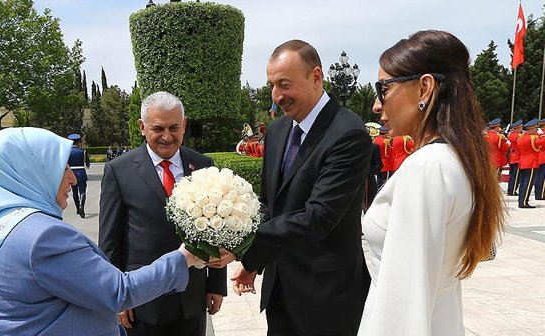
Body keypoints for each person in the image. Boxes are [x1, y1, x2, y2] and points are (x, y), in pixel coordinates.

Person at [0, 127, 204, 335]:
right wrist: (184, 257)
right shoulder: (41, 237)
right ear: (31, 173)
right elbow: (118, 291)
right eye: (62, 168)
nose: (72, 179)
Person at [210, 40, 372, 336]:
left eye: (284, 84)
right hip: (281, 291)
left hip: (327, 298)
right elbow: (271, 204)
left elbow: (318, 217)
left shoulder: (348, 133)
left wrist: (243, 242)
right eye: (272, 85)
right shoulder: (278, 131)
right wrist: (253, 260)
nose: (276, 96)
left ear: (316, 77)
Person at [358, 30, 505, 335]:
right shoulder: (454, 158)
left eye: (383, 87)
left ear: (424, 87)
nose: (376, 104)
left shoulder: (426, 169)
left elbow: (403, 301)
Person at [99, 91, 227, 336]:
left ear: (184, 125)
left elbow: (216, 230)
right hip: (142, 301)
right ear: (142, 127)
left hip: (192, 298)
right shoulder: (119, 170)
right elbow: (109, 241)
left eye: (174, 128)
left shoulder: (203, 165)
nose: (167, 137)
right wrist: (116, 297)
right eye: (158, 128)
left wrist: (217, 284)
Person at [516, 119, 543, 208]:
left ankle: (521, 201)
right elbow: (542, 143)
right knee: (528, 184)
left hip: (523, 162)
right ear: (531, 129)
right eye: (535, 128)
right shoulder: (532, 138)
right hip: (531, 162)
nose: (536, 130)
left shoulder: (521, 137)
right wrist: (542, 135)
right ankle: (523, 202)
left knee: (523, 183)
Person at [68, 133, 90, 218]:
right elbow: (87, 164)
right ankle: (82, 207)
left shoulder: (67, 152)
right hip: (81, 172)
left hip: (72, 172)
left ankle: (77, 209)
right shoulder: (83, 151)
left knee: (74, 192)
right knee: (82, 191)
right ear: (79, 142)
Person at [507, 119, 523, 196]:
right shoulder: (519, 136)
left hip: (512, 156)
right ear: (518, 128)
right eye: (521, 127)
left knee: (512, 175)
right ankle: (513, 190)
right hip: (517, 157)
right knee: (516, 176)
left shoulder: (510, 135)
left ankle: (510, 189)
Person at [534, 119, 545, 200]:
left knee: (538, 177)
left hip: (538, 157)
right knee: (542, 177)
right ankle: (540, 194)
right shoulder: (541, 135)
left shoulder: (536, 134)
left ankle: (539, 194)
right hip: (543, 157)